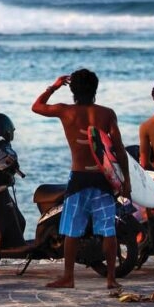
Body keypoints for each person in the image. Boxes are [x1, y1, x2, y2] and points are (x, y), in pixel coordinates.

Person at [31, 68, 130, 289]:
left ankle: (68, 277)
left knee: (72, 231)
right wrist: (127, 182)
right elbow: (120, 150)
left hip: (79, 178)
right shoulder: (107, 113)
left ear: (72, 90)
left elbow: (36, 106)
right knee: (108, 230)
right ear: (95, 89)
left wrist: (54, 86)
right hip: (103, 179)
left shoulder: (66, 112)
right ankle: (111, 279)